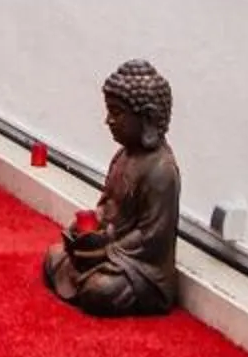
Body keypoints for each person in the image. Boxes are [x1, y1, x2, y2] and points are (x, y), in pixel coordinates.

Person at [42, 59, 181, 317]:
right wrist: (89, 225)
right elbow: (108, 205)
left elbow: (152, 238)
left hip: (139, 266)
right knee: (53, 256)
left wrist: (105, 249)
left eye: (116, 113)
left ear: (148, 118)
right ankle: (84, 274)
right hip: (111, 247)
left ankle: (91, 283)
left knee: (100, 290)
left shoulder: (161, 170)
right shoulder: (122, 157)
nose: (108, 121)